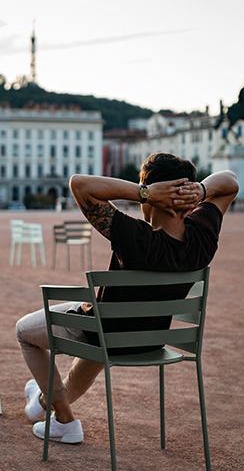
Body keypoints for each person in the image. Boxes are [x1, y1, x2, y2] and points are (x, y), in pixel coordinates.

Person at [16, 152, 239, 444]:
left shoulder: (135, 236)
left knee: (24, 331)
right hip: (148, 339)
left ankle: (65, 421)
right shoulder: (203, 237)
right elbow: (231, 181)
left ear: (154, 198)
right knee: (96, 344)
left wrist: (143, 193)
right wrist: (201, 191)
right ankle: (44, 401)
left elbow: (79, 185)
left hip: (104, 334)